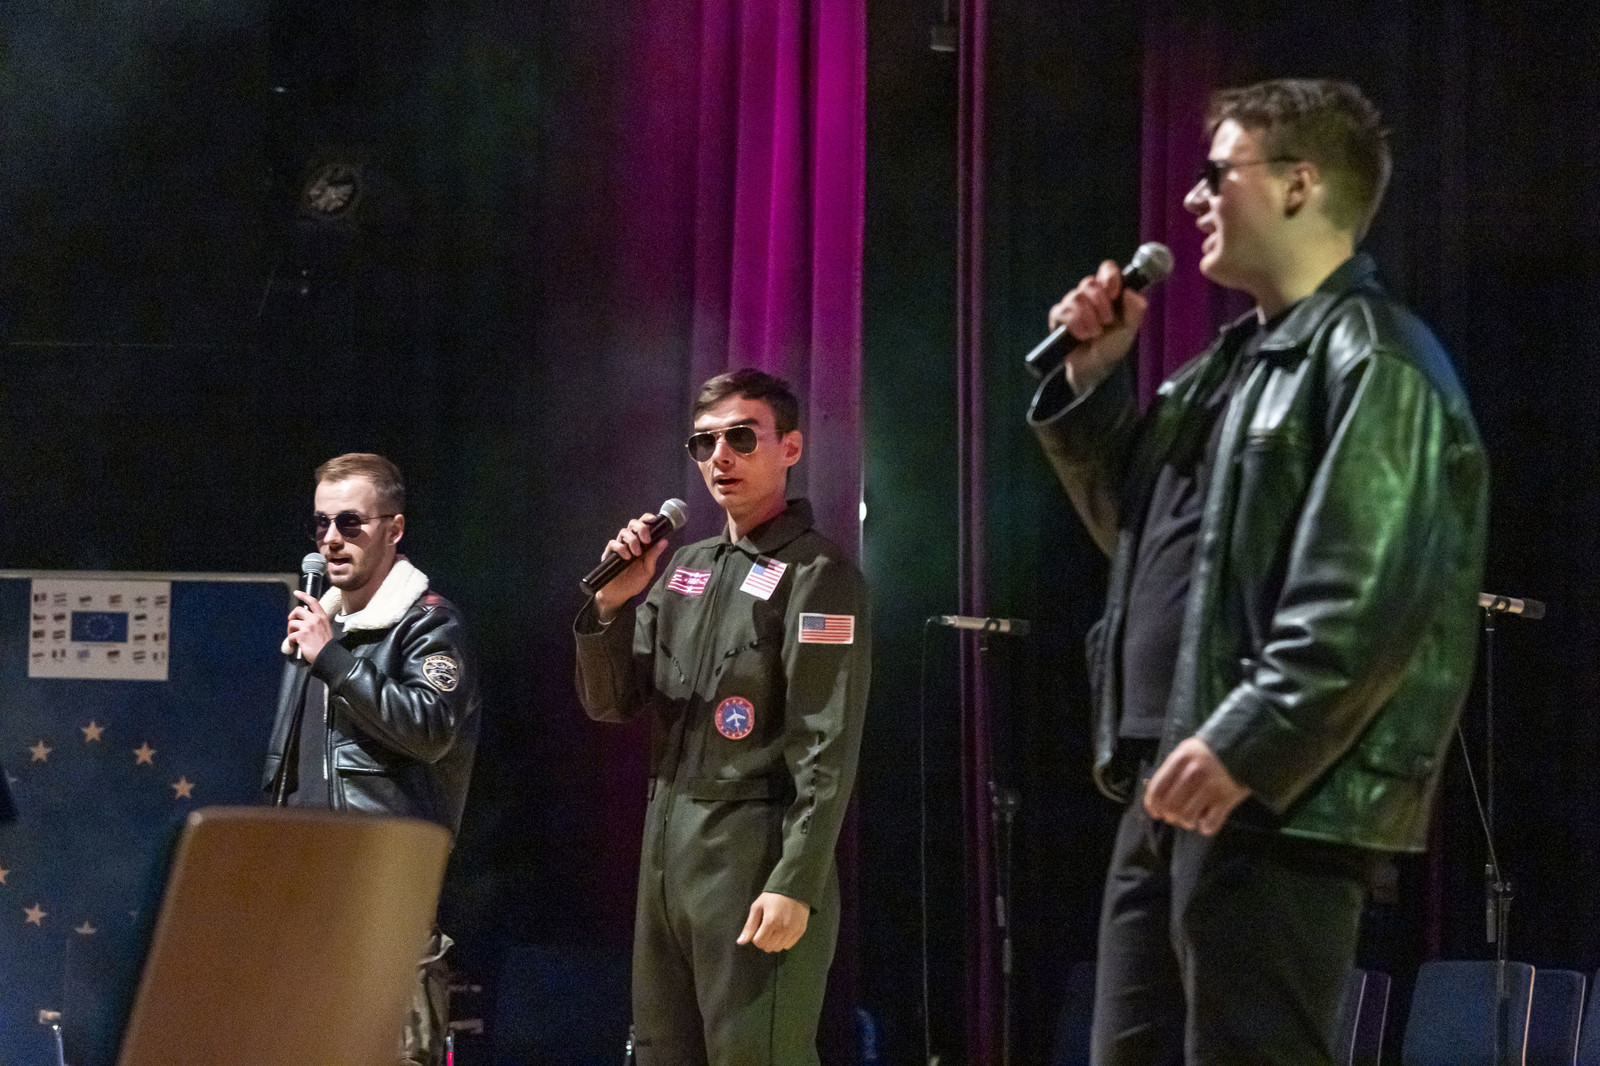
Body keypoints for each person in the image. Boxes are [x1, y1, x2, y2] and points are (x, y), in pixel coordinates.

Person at [1027, 80, 1488, 1065]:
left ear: (1297, 184)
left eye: (1215, 173)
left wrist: (1248, 742)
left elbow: (1365, 602)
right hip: (1173, 775)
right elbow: (1141, 543)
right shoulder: (1227, 366)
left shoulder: (1377, 359)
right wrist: (1093, 380)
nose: (1192, 198)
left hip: (1276, 792)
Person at [574, 369, 870, 1066]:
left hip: (753, 852)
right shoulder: (686, 568)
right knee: (661, 1053)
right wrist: (612, 605)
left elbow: (826, 744)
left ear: (790, 447)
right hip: (667, 852)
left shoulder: (818, 572)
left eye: (741, 437)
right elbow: (613, 701)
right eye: (704, 443)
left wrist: (795, 880)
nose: (720, 457)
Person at [264, 452, 480, 1066]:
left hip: (385, 901)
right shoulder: (317, 629)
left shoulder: (429, 625)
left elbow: (428, 728)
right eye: (321, 523)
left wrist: (333, 660)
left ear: (394, 528)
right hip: (305, 899)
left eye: (350, 523)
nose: (331, 539)